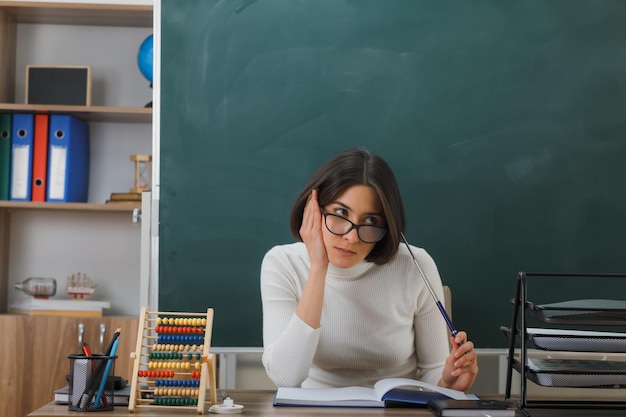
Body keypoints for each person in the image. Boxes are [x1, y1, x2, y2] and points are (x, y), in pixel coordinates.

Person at [260, 147, 478, 390]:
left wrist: (447, 381)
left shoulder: (416, 265)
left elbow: (433, 371)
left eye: (371, 221)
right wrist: (318, 268)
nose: (352, 237)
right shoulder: (282, 263)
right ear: (313, 208)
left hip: (397, 409)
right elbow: (286, 378)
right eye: (341, 213)